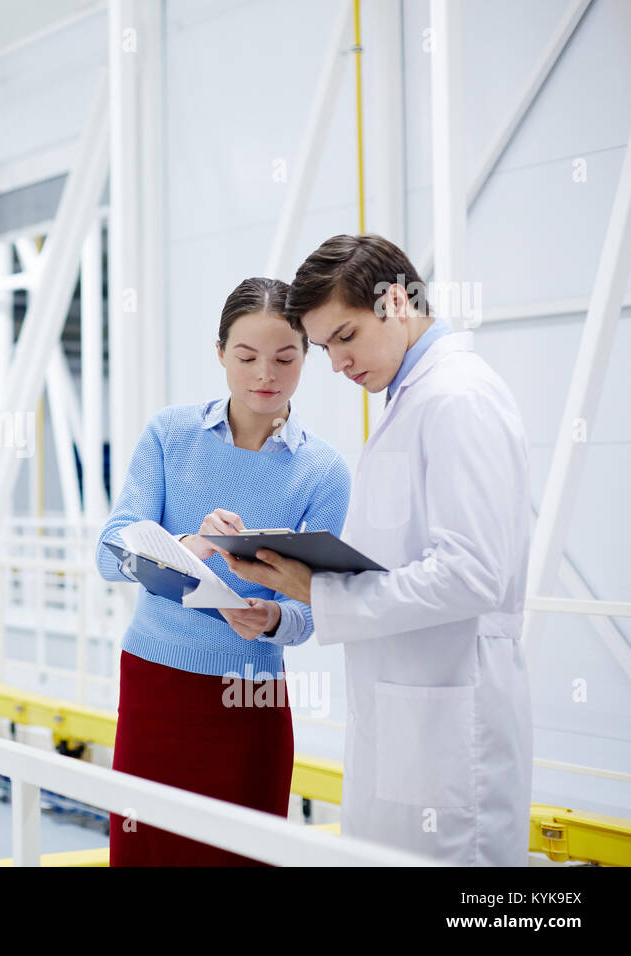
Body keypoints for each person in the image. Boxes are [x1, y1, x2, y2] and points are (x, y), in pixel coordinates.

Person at [225, 234, 533, 866]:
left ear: (395, 302)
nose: (337, 364)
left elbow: (473, 574)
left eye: (346, 337)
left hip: (450, 726)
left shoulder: (456, 399)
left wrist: (323, 591)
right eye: (324, 347)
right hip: (409, 716)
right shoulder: (414, 397)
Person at [95, 276, 351, 866]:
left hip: (252, 698)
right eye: (247, 357)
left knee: (244, 854)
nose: (266, 374)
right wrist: (183, 545)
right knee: (147, 852)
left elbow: (310, 612)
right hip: (157, 683)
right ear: (219, 354)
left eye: (286, 357)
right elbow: (109, 555)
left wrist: (269, 618)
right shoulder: (169, 434)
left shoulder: (323, 472)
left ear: (306, 357)